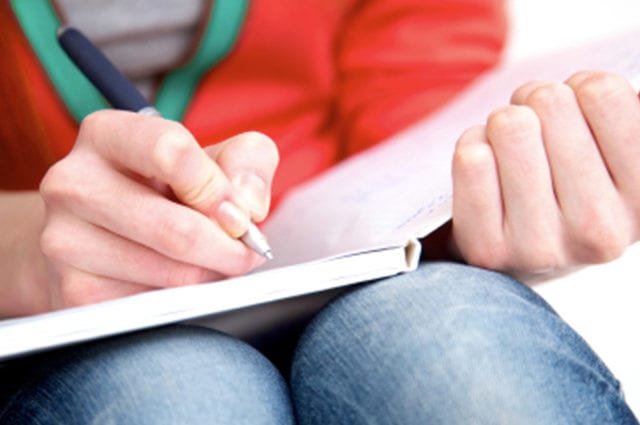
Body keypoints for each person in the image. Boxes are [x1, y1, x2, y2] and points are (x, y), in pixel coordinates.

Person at [0, 0, 638, 423]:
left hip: (350, 270)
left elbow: (423, 118)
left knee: (459, 354)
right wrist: (27, 250)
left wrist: (502, 195)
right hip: (54, 319)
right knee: (174, 399)